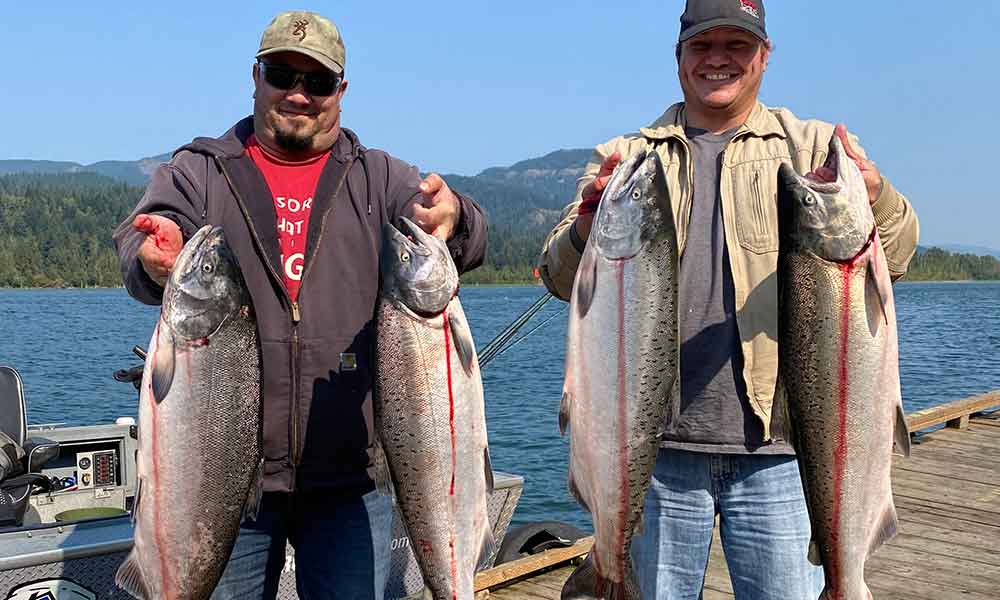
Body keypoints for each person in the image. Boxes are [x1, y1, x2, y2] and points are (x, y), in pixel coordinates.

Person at [537, 1, 918, 598]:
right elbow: (560, 277)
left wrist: (878, 196)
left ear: (765, 54)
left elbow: (895, 257)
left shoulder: (814, 148)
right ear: (679, 55)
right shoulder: (626, 158)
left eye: (736, 45)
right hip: (654, 459)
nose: (718, 59)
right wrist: (586, 224)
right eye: (702, 45)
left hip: (783, 456)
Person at [114, 10, 487, 600]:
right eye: (282, 74)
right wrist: (151, 256)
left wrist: (457, 215)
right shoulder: (201, 171)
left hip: (350, 478)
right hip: (223, 477)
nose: (298, 94)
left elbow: (463, 238)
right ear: (255, 76)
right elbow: (138, 242)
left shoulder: (380, 177)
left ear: (341, 91)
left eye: (316, 82)